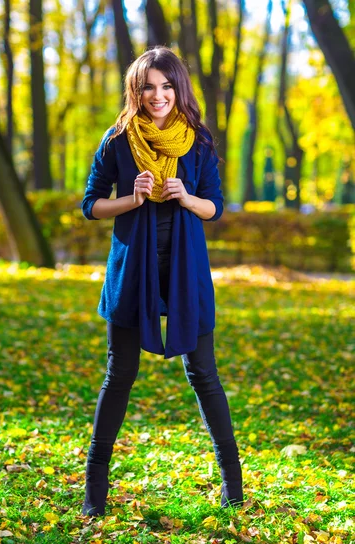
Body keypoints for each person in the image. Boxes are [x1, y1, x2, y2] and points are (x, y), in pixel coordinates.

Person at [81, 46, 243, 517]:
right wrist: (130, 201)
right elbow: (91, 203)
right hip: (132, 271)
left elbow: (215, 206)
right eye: (149, 86)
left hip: (186, 271)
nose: (158, 95)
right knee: (119, 375)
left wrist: (187, 197)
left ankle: (233, 487)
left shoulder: (199, 142)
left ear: (179, 89)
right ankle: (95, 494)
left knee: (204, 375)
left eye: (167, 85)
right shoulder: (117, 140)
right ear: (136, 89)